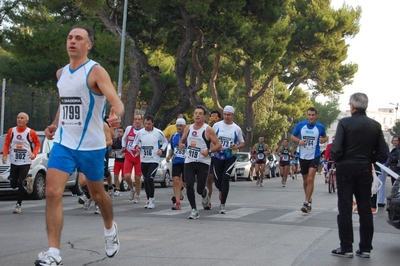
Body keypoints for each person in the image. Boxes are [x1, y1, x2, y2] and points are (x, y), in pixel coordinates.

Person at [35, 24, 124, 265]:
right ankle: (54, 252)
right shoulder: (61, 73)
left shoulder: (95, 72)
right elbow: (65, 103)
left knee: (97, 194)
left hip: (92, 146)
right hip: (64, 143)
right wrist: (54, 124)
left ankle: (109, 230)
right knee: (53, 192)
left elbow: (116, 101)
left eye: (79, 38)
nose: (72, 41)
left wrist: (116, 117)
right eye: (70, 37)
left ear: (88, 44)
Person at [330, 93, 387, 259]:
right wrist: (369, 159)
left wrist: (338, 159)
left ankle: (346, 247)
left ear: (352, 106)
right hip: (364, 169)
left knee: (345, 208)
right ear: (366, 106)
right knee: (365, 209)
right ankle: (365, 248)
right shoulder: (375, 126)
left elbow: (336, 148)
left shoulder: (344, 123)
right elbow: (383, 153)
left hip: (346, 169)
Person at [178, 106, 221, 219]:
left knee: (199, 189)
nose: (197, 115)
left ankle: (204, 193)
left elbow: (218, 145)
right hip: (189, 160)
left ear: (204, 116)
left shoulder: (208, 129)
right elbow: (182, 140)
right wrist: (181, 144)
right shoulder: (188, 128)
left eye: (200, 113)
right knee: (189, 184)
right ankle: (194, 209)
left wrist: (209, 151)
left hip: (203, 161)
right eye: (196, 113)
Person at [2, 112, 41, 214]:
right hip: (14, 160)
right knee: (13, 184)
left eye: (22, 118)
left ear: (26, 121)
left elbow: (37, 144)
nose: (19, 120)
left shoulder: (30, 132)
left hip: (25, 161)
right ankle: (26, 182)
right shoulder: (12, 131)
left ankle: (18, 205)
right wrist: (5, 154)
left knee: (19, 183)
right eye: (18, 118)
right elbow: (6, 143)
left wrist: (34, 154)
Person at [291, 107, 327, 213]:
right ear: (307, 116)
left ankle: (306, 202)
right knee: (305, 180)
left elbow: (325, 137)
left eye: (313, 115)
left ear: (316, 116)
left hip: (314, 156)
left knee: (310, 179)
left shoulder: (320, 127)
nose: (311, 117)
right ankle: (309, 197)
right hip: (303, 156)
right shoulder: (301, 125)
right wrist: (299, 141)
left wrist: (323, 139)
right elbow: (292, 136)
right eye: (309, 115)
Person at [211, 105, 245, 213]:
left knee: (225, 178)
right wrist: (211, 148)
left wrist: (237, 146)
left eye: (228, 115)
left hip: (230, 156)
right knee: (217, 181)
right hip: (217, 155)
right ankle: (221, 190)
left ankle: (222, 205)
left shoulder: (236, 128)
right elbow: (210, 137)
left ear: (232, 115)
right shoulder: (216, 126)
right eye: (225, 114)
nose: (226, 116)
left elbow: (242, 142)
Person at [132, 114, 169, 209]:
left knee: (150, 178)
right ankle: (148, 199)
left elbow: (165, 142)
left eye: (149, 124)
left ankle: (152, 199)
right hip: (144, 159)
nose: (147, 126)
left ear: (153, 123)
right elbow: (134, 143)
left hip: (154, 159)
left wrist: (162, 150)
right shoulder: (140, 133)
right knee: (145, 179)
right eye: (145, 124)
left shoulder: (158, 132)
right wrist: (136, 147)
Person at [121, 114, 143, 203]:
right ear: (133, 120)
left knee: (138, 178)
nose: (137, 121)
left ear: (141, 120)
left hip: (139, 157)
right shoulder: (129, 129)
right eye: (135, 119)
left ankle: (137, 195)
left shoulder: (143, 131)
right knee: (126, 176)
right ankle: (132, 188)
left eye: (139, 119)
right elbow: (124, 139)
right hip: (129, 155)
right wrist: (123, 147)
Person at [166, 118, 187, 210]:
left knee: (185, 182)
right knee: (175, 179)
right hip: (176, 161)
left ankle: (182, 190)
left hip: (186, 162)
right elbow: (172, 149)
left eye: (181, 126)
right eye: (177, 126)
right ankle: (177, 202)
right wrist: (169, 156)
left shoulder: (188, 136)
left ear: (184, 126)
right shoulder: (174, 136)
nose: (179, 127)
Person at [204, 110, 222, 210]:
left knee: (219, 180)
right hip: (209, 157)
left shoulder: (222, 128)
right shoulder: (206, 129)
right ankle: (208, 200)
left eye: (216, 118)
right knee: (209, 178)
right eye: (212, 118)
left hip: (220, 157)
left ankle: (221, 191)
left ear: (219, 118)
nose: (213, 120)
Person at [110, 126, 125, 196]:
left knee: (124, 176)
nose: (119, 133)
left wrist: (125, 153)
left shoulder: (126, 141)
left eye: (120, 132)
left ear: (124, 133)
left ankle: (131, 187)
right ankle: (117, 189)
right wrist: (113, 152)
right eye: (118, 131)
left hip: (125, 161)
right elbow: (113, 149)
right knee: (116, 175)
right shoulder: (115, 141)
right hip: (117, 161)